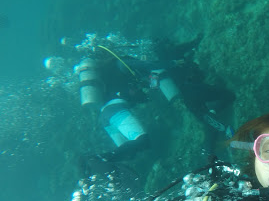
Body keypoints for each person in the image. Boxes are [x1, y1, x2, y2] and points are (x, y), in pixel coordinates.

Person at [77, 36, 235, 166]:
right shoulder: (120, 63)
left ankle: (101, 163)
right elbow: (150, 66)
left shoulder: (104, 75)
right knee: (143, 141)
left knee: (130, 153)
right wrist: (172, 63)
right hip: (116, 110)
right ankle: (98, 159)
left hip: (105, 117)